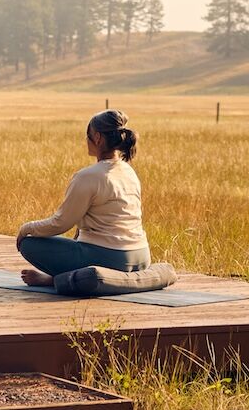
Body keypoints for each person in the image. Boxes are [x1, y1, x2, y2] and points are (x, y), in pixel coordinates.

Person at [16, 108, 150, 285]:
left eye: (88, 135)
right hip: (141, 257)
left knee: (29, 244)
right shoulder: (129, 171)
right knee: (76, 242)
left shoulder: (88, 176)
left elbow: (60, 223)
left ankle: (54, 280)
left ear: (97, 138)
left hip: (111, 259)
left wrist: (27, 228)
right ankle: (66, 277)